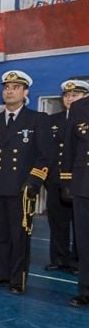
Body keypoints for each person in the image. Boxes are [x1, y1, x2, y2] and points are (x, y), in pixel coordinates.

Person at [0, 70, 51, 294]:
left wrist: (32, 183)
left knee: (19, 236)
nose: (9, 91)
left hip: (21, 188)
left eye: (15, 87)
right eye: (6, 87)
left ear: (25, 92)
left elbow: (44, 156)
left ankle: (17, 279)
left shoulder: (37, 120)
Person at [46, 80, 86, 273]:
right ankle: (59, 258)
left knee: (80, 224)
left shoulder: (84, 119)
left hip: (79, 181)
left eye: (75, 95)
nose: (70, 98)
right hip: (55, 179)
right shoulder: (52, 120)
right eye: (67, 95)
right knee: (57, 222)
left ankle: (78, 261)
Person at [60, 90, 89, 306]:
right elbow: (69, 147)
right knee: (84, 240)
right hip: (83, 182)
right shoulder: (79, 107)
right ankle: (86, 289)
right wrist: (67, 181)